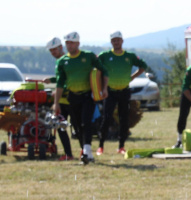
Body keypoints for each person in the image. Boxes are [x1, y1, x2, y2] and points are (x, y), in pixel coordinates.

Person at [53, 31, 109, 164]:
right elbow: (60, 83)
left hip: (87, 96)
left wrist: (104, 88)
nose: (69, 45)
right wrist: (56, 103)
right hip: (73, 97)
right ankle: (86, 152)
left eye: (72, 43)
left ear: (78, 43)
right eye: (67, 43)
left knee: (86, 122)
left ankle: (87, 151)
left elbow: (103, 71)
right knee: (77, 125)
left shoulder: (88, 56)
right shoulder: (62, 61)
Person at [98, 31, 148, 155]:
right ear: (111, 42)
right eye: (114, 40)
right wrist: (100, 86)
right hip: (110, 91)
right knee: (106, 118)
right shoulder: (105, 55)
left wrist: (133, 77)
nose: (116, 42)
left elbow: (143, 66)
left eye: (118, 40)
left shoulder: (130, 56)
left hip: (124, 91)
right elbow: (96, 69)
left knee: (124, 119)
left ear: (122, 41)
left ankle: (121, 146)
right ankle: (101, 146)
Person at [44, 37, 75, 160]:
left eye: (54, 50)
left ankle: (85, 151)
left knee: (78, 127)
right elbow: (61, 79)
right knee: (60, 126)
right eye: (51, 51)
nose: (52, 53)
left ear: (60, 48)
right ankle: (68, 154)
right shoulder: (59, 62)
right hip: (61, 101)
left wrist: (57, 92)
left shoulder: (68, 60)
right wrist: (51, 80)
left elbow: (70, 80)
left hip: (72, 99)